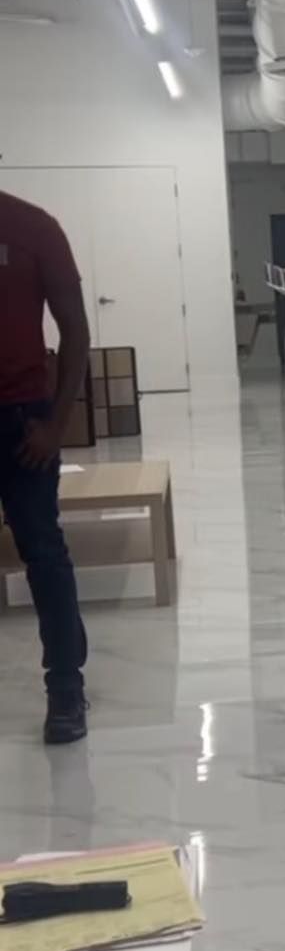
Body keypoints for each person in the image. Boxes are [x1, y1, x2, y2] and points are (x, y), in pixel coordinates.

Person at [0, 189, 90, 744]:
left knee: (44, 554)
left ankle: (65, 688)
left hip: (21, 425)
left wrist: (57, 426)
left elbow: (75, 329)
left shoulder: (34, 227)